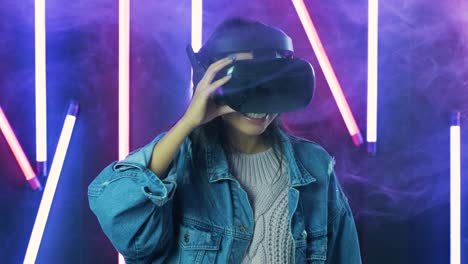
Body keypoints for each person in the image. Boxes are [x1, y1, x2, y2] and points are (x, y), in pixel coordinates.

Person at [88, 17, 362, 264]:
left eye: (270, 83)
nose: (259, 103)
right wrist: (188, 122)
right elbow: (119, 216)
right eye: (242, 84)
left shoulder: (314, 166)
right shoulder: (180, 161)